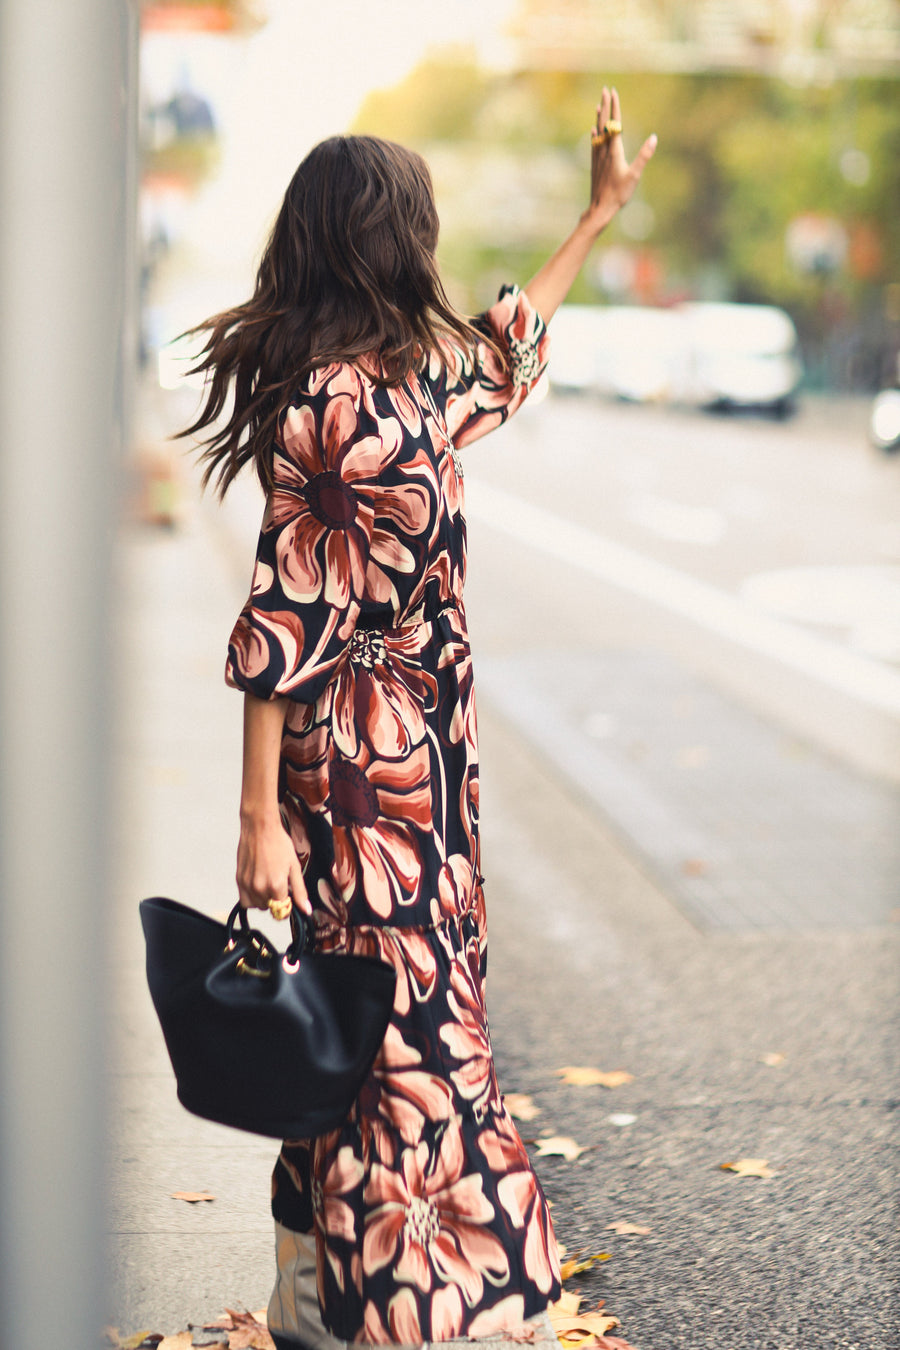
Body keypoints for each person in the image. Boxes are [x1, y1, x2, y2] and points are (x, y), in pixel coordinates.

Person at [183, 88, 655, 1349]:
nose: (433, 247)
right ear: (382, 238)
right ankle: (434, 1297)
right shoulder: (338, 407)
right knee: (415, 1039)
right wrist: (255, 820)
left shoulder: (398, 388)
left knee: (360, 1023)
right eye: (419, 225)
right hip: (359, 778)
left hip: (422, 767)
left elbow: (506, 357)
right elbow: (282, 611)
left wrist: (596, 215)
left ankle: (310, 1289)